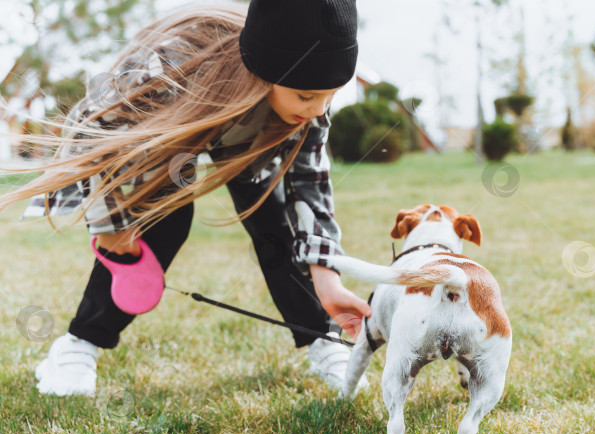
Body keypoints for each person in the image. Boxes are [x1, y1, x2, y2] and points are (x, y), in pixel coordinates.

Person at [0, 0, 372, 397]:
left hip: (251, 143)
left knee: (273, 222)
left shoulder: (309, 111)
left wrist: (327, 279)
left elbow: (310, 190)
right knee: (166, 222)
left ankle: (321, 338)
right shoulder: (171, 66)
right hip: (176, 136)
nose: (319, 110)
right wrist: (111, 227)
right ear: (267, 70)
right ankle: (77, 345)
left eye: (331, 96)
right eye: (306, 96)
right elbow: (89, 128)